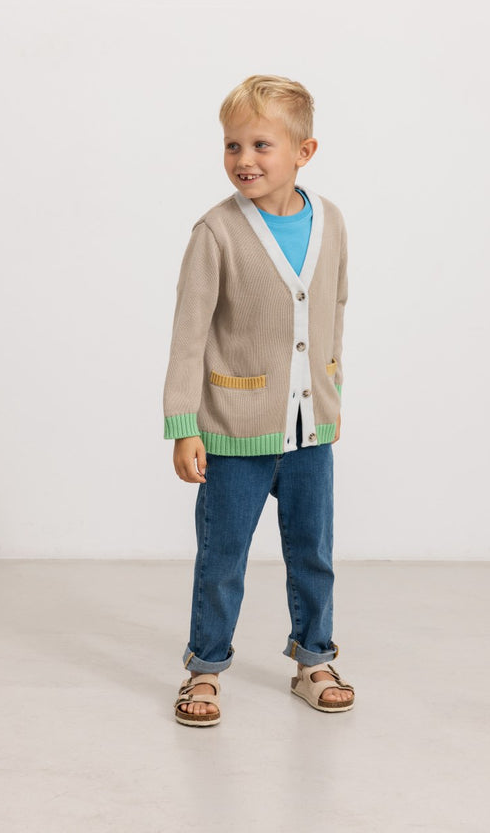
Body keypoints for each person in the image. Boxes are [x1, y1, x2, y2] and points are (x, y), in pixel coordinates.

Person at [163, 74, 355, 727]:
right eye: (233, 145)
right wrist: (184, 425)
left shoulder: (331, 222)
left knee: (313, 553)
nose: (244, 159)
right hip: (231, 429)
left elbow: (333, 311)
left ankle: (314, 660)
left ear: (304, 151)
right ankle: (205, 667)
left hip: (309, 431)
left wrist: (330, 396)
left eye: (261, 145)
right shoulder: (215, 231)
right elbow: (189, 335)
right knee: (222, 559)